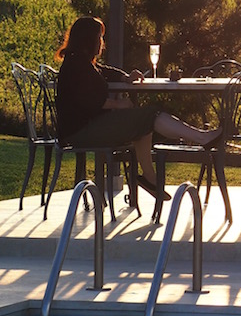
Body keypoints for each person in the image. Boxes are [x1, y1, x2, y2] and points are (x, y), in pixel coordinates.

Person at [55, 17, 221, 201]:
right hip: (81, 131)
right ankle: (201, 138)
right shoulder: (76, 64)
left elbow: (104, 71)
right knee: (149, 115)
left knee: (143, 125)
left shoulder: (82, 62)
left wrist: (126, 77)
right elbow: (87, 100)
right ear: (89, 39)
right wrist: (119, 104)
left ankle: (150, 180)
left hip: (86, 127)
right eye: (99, 38)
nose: (102, 43)